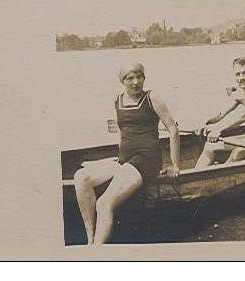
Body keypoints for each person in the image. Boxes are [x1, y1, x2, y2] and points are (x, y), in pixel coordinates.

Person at [73, 62, 180, 245]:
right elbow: (122, 133)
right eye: (130, 78)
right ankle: (90, 240)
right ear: (122, 81)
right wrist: (120, 158)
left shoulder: (151, 98)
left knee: (104, 204)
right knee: (81, 177)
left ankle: (95, 253)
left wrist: (175, 164)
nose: (136, 82)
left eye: (139, 77)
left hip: (147, 159)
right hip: (126, 160)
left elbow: (173, 130)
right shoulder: (117, 100)